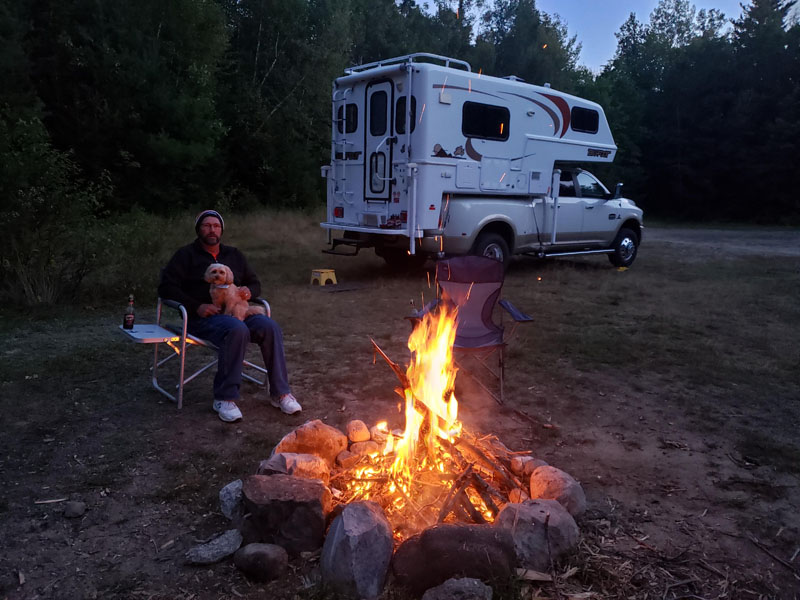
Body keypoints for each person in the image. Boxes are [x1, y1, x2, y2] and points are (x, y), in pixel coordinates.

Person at [158, 210, 302, 422]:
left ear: (221, 230)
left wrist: (249, 292)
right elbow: (166, 288)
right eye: (207, 225)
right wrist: (196, 306)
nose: (212, 230)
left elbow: (255, 283)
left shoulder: (234, 255)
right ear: (199, 229)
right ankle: (225, 398)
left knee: (269, 326)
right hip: (203, 318)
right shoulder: (185, 255)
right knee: (237, 329)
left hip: (239, 310)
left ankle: (281, 393)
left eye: (216, 226)